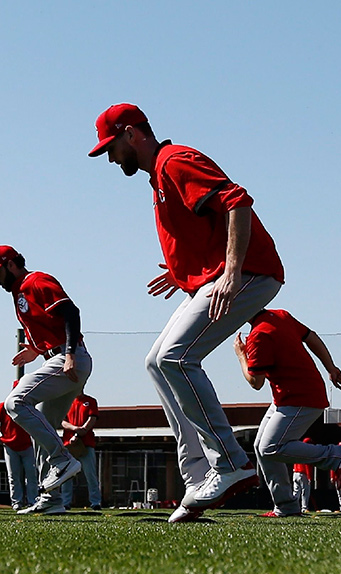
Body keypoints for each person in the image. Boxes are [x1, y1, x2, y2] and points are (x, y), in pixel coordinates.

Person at [89, 103, 283, 522]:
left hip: (250, 272)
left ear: (131, 135)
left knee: (176, 358)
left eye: (111, 147)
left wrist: (231, 271)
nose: (109, 157)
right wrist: (183, 272)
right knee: (156, 363)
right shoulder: (158, 175)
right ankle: (197, 477)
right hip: (211, 277)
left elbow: (237, 201)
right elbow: (204, 227)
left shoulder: (175, 161)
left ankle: (230, 463)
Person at [0, 245, 92, 517]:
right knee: (42, 429)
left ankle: (64, 460)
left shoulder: (36, 280)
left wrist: (67, 355)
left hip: (70, 358)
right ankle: (51, 498)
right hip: (56, 356)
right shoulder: (19, 290)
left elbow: (71, 313)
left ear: (10, 265)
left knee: (15, 401)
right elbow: (47, 325)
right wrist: (35, 349)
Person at [233, 307, 341, 518]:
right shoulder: (280, 315)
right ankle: (286, 506)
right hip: (291, 396)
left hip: (300, 398)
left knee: (270, 447)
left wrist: (242, 356)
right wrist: (330, 366)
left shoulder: (258, 335)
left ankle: (337, 455)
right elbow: (311, 337)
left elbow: (255, 382)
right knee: (261, 447)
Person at [0, 395, 39, 512]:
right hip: (10, 446)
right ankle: (17, 502)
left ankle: (33, 501)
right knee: (14, 476)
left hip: (27, 445)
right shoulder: (4, 406)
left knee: (31, 476)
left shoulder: (29, 406)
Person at [61, 393, 102, 510]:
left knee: (90, 474)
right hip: (69, 445)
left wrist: (82, 430)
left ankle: (95, 502)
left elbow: (92, 417)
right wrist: (75, 429)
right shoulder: (65, 402)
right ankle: (65, 502)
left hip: (86, 444)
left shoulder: (91, 401)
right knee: (66, 475)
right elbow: (63, 421)